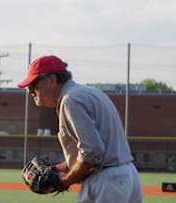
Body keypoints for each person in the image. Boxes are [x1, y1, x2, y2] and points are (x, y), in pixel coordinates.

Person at [18, 55, 142, 203]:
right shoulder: (89, 93)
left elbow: (93, 153)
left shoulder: (71, 100)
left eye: (34, 85)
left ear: (51, 80)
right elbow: (94, 150)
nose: (30, 91)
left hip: (106, 181)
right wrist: (58, 169)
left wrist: (65, 181)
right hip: (127, 176)